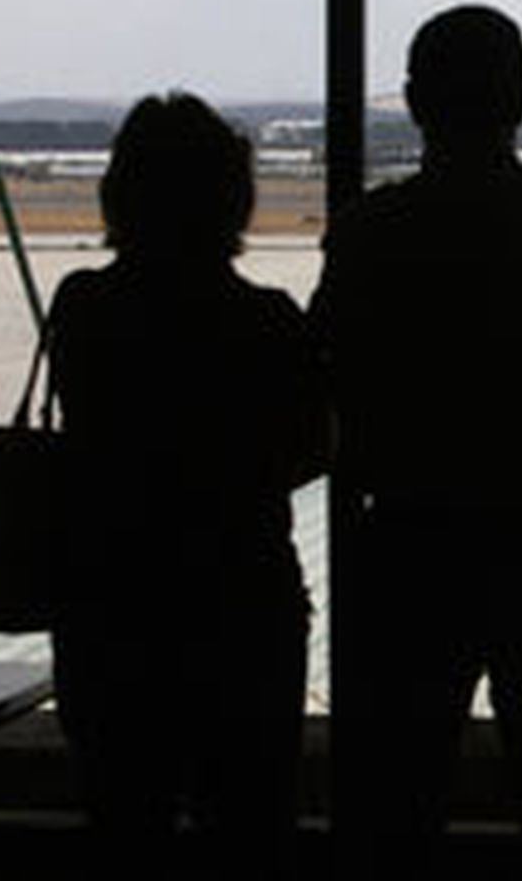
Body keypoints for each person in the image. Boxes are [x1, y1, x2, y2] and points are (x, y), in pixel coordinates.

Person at [313, 4, 522, 878]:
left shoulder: (372, 231)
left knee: (392, 802)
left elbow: (323, 379)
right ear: (521, 100)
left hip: (409, 545)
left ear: (413, 103)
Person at [47, 93, 324, 879]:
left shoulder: (83, 304)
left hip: (112, 604)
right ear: (233, 199)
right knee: (250, 825)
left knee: (123, 822)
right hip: (241, 605)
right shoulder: (270, 322)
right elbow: (309, 447)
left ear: (119, 193)